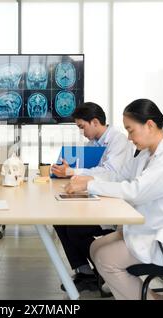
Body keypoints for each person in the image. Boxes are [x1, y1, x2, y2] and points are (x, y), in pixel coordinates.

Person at [65, 98, 163, 300]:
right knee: (95, 247)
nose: (129, 138)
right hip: (149, 226)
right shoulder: (146, 153)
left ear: (149, 125)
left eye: (131, 130)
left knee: (105, 259)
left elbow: (136, 191)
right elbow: (120, 176)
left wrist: (90, 185)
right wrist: (86, 178)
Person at [51, 102, 133, 293]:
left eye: (82, 126)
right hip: (99, 196)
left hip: (114, 203)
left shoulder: (118, 141)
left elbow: (109, 173)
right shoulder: (93, 144)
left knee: (75, 228)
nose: (81, 132)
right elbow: (91, 172)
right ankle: (85, 272)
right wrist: (67, 172)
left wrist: (72, 171)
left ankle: (105, 272)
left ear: (95, 122)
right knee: (59, 221)